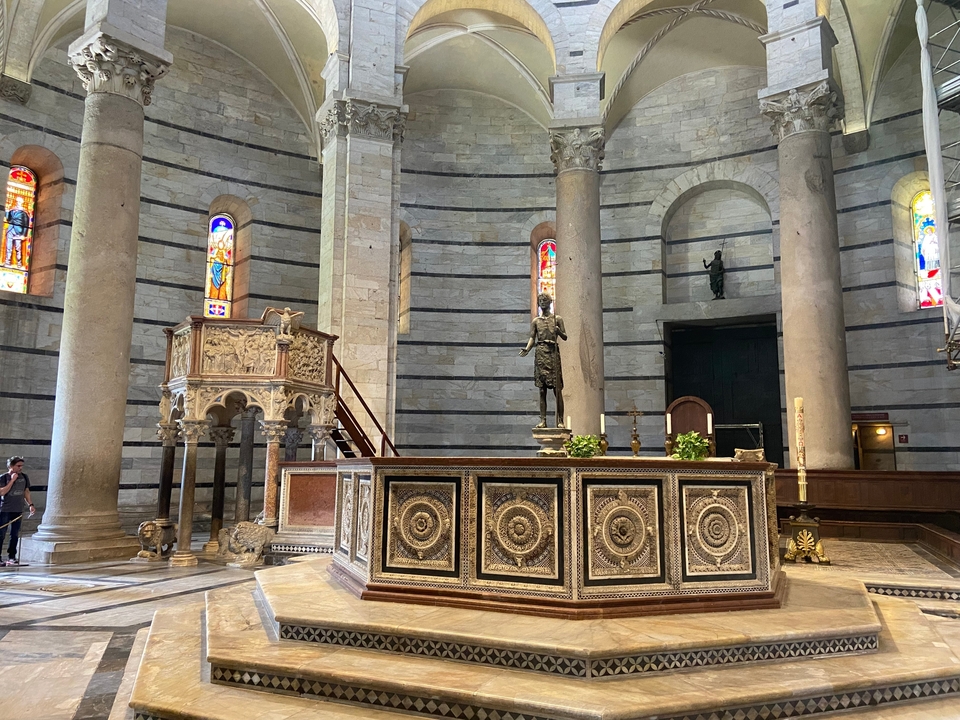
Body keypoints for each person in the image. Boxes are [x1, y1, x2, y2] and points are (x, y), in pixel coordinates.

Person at [520, 292, 567, 428]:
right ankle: (543, 420)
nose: (542, 302)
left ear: (550, 302)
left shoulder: (557, 319)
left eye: (545, 300)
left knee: (557, 389)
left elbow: (565, 337)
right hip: (541, 352)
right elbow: (532, 337)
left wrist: (558, 332)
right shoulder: (536, 321)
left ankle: (560, 420)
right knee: (542, 389)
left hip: (553, 352)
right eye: (540, 300)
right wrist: (527, 349)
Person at [0, 456, 34, 565]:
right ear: (11, 466)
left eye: (21, 466)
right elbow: (2, 492)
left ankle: (12, 556)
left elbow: (26, 491)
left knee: (14, 534)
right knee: (1, 534)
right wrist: (12, 480)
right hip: (5, 509)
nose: (20, 468)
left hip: (18, 509)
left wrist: (30, 504)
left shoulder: (24, 477)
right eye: (18, 466)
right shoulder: (3, 477)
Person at [4, 196, 30, 269]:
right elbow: (8, 218)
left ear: (21, 203)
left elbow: (26, 224)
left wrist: (24, 235)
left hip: (18, 231)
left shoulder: (24, 213)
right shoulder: (12, 210)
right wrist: (6, 211)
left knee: (18, 247)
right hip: (10, 230)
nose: (17, 203)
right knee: (8, 247)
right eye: (17, 201)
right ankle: (7, 261)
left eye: (19, 202)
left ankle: (19, 263)